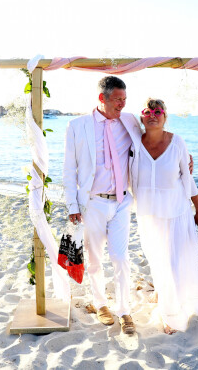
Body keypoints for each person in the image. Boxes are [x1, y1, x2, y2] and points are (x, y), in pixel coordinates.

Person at [63, 76, 142, 334]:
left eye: (124, 99)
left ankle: (124, 309)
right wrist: (72, 204)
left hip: (121, 202)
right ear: (102, 98)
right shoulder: (77, 126)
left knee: (120, 257)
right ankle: (100, 304)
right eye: (117, 99)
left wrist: (183, 155)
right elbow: (69, 169)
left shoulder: (129, 121)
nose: (122, 104)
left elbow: (153, 140)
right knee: (95, 259)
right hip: (93, 204)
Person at [129, 98, 198, 335]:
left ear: (165, 116)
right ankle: (162, 291)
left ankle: (171, 315)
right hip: (148, 214)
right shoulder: (133, 141)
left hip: (175, 212)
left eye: (158, 111)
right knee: (156, 258)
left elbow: (187, 178)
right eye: (148, 111)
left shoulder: (177, 142)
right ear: (141, 117)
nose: (153, 115)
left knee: (172, 263)